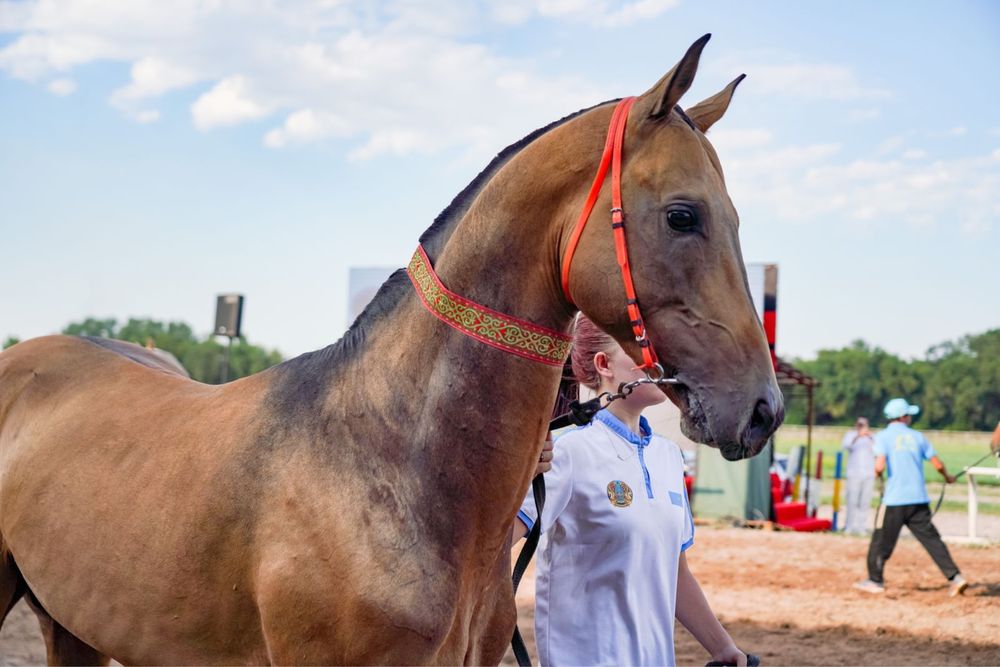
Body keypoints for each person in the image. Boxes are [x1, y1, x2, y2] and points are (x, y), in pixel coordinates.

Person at [514, 316, 747, 667]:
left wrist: (722, 647)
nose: (655, 360)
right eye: (638, 347)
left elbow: (675, 573)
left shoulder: (669, 457)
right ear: (603, 364)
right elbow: (495, 550)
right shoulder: (568, 453)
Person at [854, 398, 968, 597]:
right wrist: (948, 477)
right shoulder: (918, 436)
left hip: (894, 500)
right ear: (903, 416)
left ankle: (875, 580)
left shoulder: (883, 437)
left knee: (880, 541)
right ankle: (955, 577)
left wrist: (878, 474)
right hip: (918, 499)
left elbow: (879, 466)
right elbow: (938, 464)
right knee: (932, 541)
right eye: (909, 415)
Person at [841, 417, 876, 535]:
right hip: (854, 473)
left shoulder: (872, 437)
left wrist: (869, 435)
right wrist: (857, 436)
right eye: (859, 424)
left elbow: (878, 449)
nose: (861, 427)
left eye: (863, 425)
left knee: (865, 501)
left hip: (869, 473)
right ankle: (849, 526)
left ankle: (862, 527)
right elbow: (846, 446)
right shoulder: (851, 435)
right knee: (852, 500)